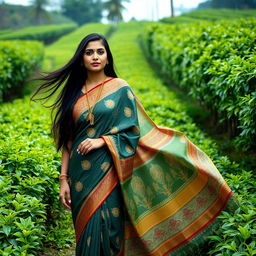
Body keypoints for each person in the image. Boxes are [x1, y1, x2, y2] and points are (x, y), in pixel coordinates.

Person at [31, 33, 237, 256]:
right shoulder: (72, 94)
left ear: (108, 58)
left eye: (100, 52)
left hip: (110, 168)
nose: (95, 57)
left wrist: (102, 141)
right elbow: (67, 142)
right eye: (89, 53)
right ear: (81, 59)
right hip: (81, 176)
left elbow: (132, 131)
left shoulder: (120, 88)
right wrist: (63, 179)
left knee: (109, 227)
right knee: (87, 230)